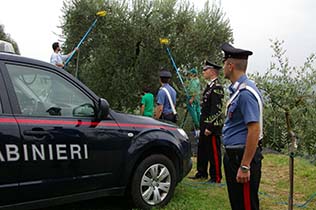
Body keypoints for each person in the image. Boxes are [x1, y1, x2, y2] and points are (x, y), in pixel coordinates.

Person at [221, 43, 263, 210]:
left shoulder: (245, 93)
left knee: (245, 205)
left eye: (224, 63)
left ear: (230, 66)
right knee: (238, 203)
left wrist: (245, 166)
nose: (223, 67)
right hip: (235, 156)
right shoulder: (239, 90)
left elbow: (254, 129)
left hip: (242, 157)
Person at [189, 61, 224, 183]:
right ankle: (201, 172)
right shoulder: (209, 87)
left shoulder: (217, 87)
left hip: (211, 126)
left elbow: (216, 110)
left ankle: (216, 176)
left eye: (205, 69)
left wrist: (210, 127)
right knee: (202, 149)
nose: (203, 72)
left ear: (212, 71)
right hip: (204, 123)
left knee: (213, 151)